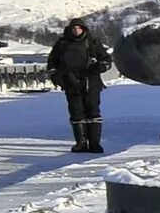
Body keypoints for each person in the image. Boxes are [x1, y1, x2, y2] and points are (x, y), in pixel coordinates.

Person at [46, 17, 111, 153]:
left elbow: (106, 59)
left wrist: (101, 67)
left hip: (91, 81)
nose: (76, 30)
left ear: (83, 29)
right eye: (74, 28)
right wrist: (55, 75)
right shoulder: (62, 43)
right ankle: (81, 143)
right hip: (71, 82)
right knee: (76, 112)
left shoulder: (92, 42)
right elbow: (52, 61)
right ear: (70, 29)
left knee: (93, 112)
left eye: (79, 28)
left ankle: (94, 143)